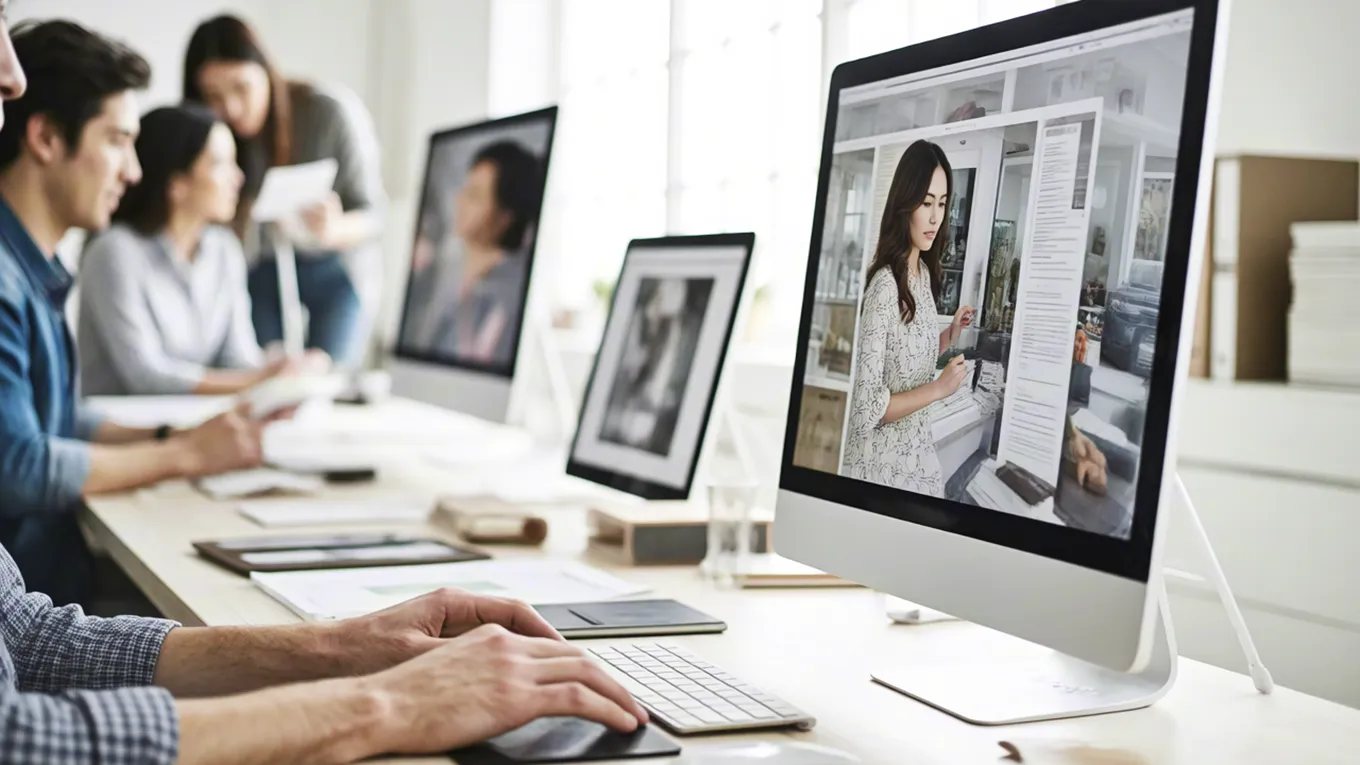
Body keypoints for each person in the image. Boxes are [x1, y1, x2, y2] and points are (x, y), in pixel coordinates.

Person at [0, 20, 647, 761]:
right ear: (49, 139)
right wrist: (388, 702)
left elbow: (25, 633)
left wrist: (343, 645)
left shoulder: (57, 273)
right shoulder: (55, 264)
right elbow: (15, 734)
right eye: (120, 140)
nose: (11, 75)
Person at [0, 20, 275, 607]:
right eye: (117, 141)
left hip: (58, 580)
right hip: (42, 603)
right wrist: (182, 456)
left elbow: (53, 421)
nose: (134, 170)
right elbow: (17, 465)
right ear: (47, 138)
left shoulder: (33, 271)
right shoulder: (5, 277)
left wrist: (172, 434)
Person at [77, 104, 328, 396]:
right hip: (121, 430)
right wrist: (260, 379)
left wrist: (283, 365)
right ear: (177, 184)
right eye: (221, 164)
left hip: (188, 424)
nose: (238, 177)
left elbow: (237, 358)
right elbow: (145, 375)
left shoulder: (224, 250)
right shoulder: (113, 252)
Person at [183, 14, 385, 366]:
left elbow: (374, 214)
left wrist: (333, 229)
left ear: (266, 71)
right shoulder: (217, 139)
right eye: (213, 96)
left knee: (325, 382)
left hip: (337, 272)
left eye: (241, 88)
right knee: (265, 383)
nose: (230, 108)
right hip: (264, 271)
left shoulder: (329, 113)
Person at [843, 140, 975, 496]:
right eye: (926, 203)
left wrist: (949, 333)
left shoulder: (922, 275)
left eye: (943, 204)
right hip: (881, 470)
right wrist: (938, 389)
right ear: (905, 205)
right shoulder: (884, 287)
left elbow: (910, 358)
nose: (936, 217)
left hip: (915, 457)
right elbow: (865, 408)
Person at [399, 140, 542, 368]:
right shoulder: (459, 291)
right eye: (465, 190)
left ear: (505, 216)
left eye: (474, 195)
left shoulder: (502, 303)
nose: (460, 200)